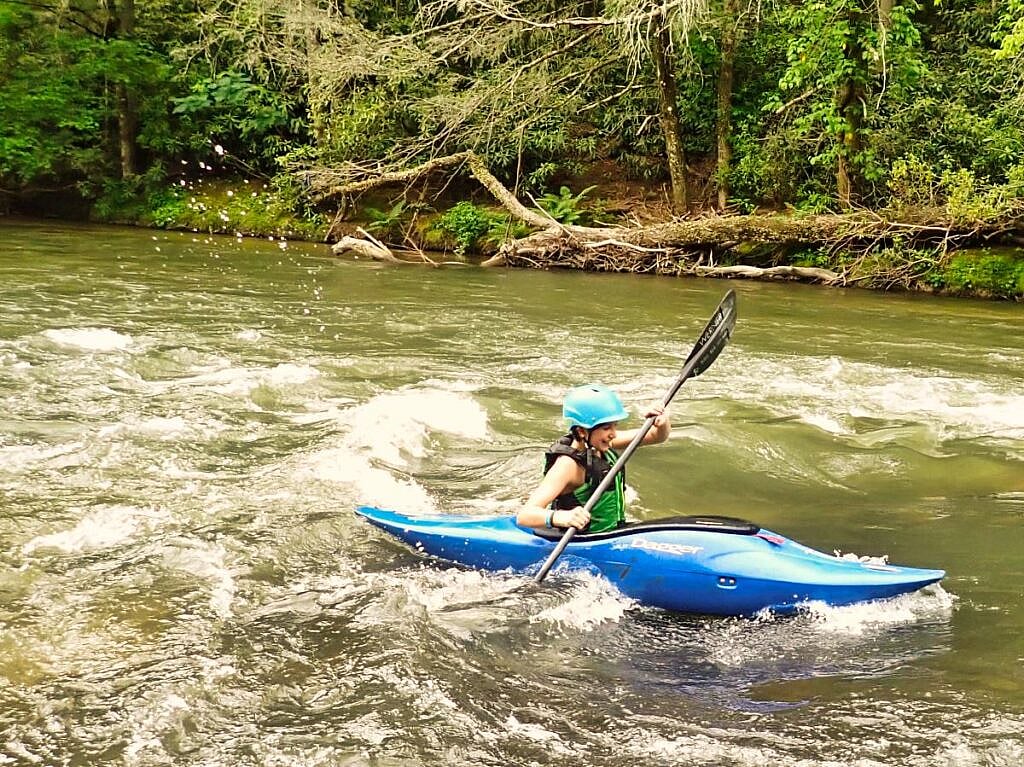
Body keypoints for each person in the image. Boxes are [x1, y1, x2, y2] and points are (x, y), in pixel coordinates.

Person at [516, 383, 670, 534]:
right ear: (582, 431)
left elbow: (656, 436)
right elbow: (525, 516)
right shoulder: (568, 465)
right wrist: (562, 517)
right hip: (582, 541)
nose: (614, 434)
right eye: (606, 428)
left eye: (615, 426)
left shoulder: (604, 443)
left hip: (611, 532)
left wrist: (661, 422)